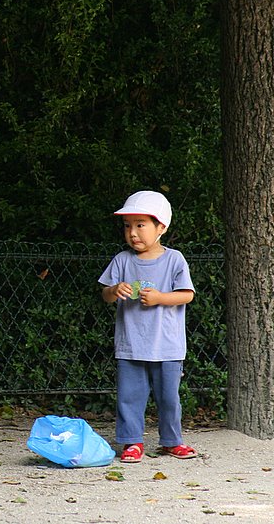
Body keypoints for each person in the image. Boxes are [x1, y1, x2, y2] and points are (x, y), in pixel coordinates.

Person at [98, 190, 197, 464]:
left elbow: (187, 294)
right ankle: (132, 442)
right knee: (129, 398)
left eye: (141, 225)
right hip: (130, 344)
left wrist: (159, 298)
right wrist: (115, 289)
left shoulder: (174, 259)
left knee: (168, 398)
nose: (133, 233)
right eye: (127, 226)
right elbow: (105, 295)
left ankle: (171, 442)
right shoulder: (122, 260)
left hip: (167, 346)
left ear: (161, 227)